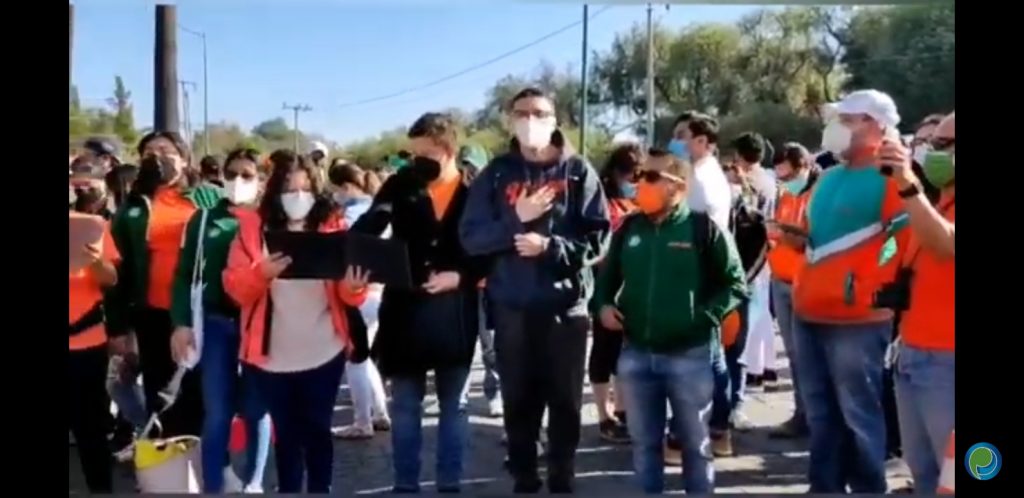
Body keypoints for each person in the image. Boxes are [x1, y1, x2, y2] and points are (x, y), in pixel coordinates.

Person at [459, 88, 610, 493]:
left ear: (554, 119)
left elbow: (600, 237)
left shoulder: (578, 172)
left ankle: (563, 476)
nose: (531, 119)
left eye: (539, 113)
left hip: (566, 308)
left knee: (565, 402)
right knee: (518, 400)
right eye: (522, 113)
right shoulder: (495, 174)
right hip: (512, 306)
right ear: (510, 119)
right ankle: (524, 475)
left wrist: (551, 248)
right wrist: (516, 220)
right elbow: (471, 238)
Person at [352, 112, 488, 493]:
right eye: (412, 153)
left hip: (455, 313)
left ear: (447, 150)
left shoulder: (474, 190)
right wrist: (345, 252)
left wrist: (461, 275)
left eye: (424, 153)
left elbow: (489, 247)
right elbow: (371, 223)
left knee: (454, 407)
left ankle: (449, 485)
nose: (415, 161)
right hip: (404, 311)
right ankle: (405, 486)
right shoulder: (400, 184)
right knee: (406, 408)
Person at [594, 156, 747, 494]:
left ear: (677, 187)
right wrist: (604, 306)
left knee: (695, 446)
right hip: (636, 354)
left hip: (690, 356)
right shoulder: (630, 229)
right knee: (645, 444)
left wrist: (703, 317)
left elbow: (734, 284)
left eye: (649, 177)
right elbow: (605, 280)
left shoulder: (702, 228)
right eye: (638, 176)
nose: (639, 184)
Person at [223, 150, 369, 494]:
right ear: (275, 190)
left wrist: (353, 287)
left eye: (304, 187)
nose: (297, 195)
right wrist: (262, 273)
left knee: (319, 432)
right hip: (271, 357)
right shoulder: (251, 229)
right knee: (286, 437)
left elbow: (351, 296)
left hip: (324, 351)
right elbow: (235, 289)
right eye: (288, 187)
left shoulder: (334, 227)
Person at [790, 90, 910, 493]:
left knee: (859, 413)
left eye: (847, 118)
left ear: (876, 125)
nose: (835, 127)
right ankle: (823, 486)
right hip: (808, 311)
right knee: (821, 414)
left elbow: (901, 239)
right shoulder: (827, 178)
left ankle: (868, 488)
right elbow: (821, 237)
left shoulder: (893, 176)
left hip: (857, 318)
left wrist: (870, 278)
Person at [105, 131, 222, 440]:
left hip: (200, 311)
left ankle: (207, 462)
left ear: (184, 158)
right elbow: (117, 269)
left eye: (166, 150)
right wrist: (117, 328)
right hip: (153, 313)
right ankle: (170, 462)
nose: (157, 156)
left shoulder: (205, 196)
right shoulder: (133, 207)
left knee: (202, 389)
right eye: (149, 151)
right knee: (163, 392)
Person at [168, 148, 272, 493]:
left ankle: (253, 485)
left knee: (257, 409)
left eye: (247, 174)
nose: (238, 181)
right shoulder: (203, 219)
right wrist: (181, 323)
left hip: (259, 326)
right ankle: (214, 487)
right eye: (232, 173)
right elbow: (184, 276)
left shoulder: (271, 219)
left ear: (261, 180)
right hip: (215, 325)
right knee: (217, 412)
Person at [883, 112, 955, 494]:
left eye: (943, 145)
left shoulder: (924, 202)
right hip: (913, 355)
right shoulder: (936, 203)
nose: (930, 153)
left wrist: (908, 188)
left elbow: (946, 245)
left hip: (947, 363)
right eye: (927, 144)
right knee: (926, 477)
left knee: (962, 475)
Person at [708, 133, 772, 457]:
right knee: (713, 353)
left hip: (740, 292)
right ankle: (713, 411)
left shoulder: (751, 216)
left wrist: (741, 284)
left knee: (735, 353)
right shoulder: (707, 216)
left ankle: (734, 406)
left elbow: (761, 250)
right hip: (711, 292)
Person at [326, 162, 392, 440]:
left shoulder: (351, 215)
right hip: (379, 292)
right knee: (364, 360)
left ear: (345, 187)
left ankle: (362, 421)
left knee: (355, 359)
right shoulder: (379, 209)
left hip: (357, 292)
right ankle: (379, 413)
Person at [69, 170, 121, 494]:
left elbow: (111, 279)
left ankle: (100, 490)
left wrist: (96, 261)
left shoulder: (91, 226)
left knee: (90, 429)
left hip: (85, 344)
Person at [590, 143, 644, 444]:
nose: (635, 183)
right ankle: (603, 413)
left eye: (639, 177)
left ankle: (624, 408)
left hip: (635, 286)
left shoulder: (639, 204)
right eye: (631, 176)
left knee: (627, 351)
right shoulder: (602, 202)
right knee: (604, 348)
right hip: (606, 285)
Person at [766, 143, 818, 439]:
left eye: (788, 174)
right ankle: (801, 414)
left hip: (804, 282)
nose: (785, 181)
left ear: (803, 165)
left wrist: (783, 234)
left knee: (806, 355)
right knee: (794, 355)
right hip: (780, 280)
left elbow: (812, 238)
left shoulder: (817, 194)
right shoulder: (786, 193)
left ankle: (813, 415)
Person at [457, 144, 505, 418]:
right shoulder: (457, 198)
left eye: (475, 167)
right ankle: (458, 395)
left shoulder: (495, 197)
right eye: (466, 167)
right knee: (463, 342)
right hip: (463, 284)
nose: (471, 173)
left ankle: (494, 393)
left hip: (490, 284)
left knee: (491, 346)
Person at [680, 114, 733, 230]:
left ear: (701, 141)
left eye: (686, 138)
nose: (683, 144)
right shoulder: (712, 171)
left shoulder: (700, 176)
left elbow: (690, 213)